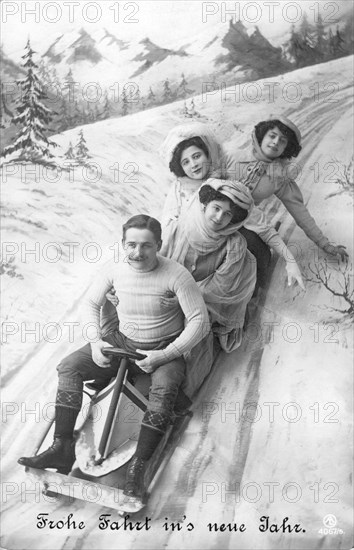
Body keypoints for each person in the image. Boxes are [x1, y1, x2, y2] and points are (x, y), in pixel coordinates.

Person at [18, 215, 210, 500]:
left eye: (146, 246)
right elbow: (90, 303)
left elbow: (199, 320)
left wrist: (164, 354)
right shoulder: (114, 269)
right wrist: (96, 343)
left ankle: (137, 467)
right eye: (131, 244)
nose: (137, 252)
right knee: (69, 366)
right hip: (121, 341)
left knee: (164, 390)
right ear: (122, 243)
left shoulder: (176, 274)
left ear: (158, 244)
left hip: (162, 348)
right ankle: (62, 447)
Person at [160, 178, 304, 353]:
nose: (220, 217)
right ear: (204, 205)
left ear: (234, 219)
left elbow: (217, 289)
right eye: (216, 208)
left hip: (212, 291)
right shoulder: (177, 226)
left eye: (227, 214)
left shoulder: (235, 243)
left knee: (193, 335)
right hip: (175, 289)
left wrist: (290, 260)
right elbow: (157, 260)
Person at [223, 115, 348, 261]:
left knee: (261, 256)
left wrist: (325, 244)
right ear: (262, 136)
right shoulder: (232, 156)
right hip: (206, 215)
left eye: (282, 141)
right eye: (272, 136)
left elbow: (299, 211)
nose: (276, 142)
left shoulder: (279, 178)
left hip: (243, 224)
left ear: (286, 148)